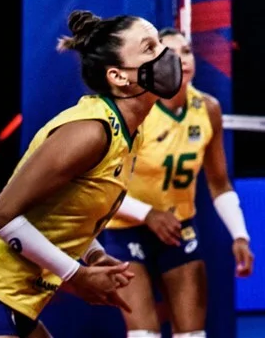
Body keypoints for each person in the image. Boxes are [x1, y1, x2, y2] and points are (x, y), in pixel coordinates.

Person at [0, 11, 182, 338]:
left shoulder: (131, 132)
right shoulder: (91, 131)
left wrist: (94, 255)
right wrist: (76, 275)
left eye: (159, 43)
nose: (165, 53)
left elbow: (65, 211)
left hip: (22, 303)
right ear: (119, 76)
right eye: (149, 48)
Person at [102, 29, 254, 338]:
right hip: (125, 228)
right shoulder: (133, 110)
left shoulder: (208, 109)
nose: (183, 60)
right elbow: (101, 186)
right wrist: (148, 214)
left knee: (192, 334)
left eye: (186, 51)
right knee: (143, 334)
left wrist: (240, 235)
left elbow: (219, 183)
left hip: (178, 228)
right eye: (171, 55)